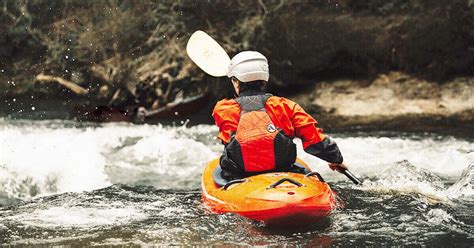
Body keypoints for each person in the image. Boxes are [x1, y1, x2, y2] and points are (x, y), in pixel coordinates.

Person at [212, 51, 348, 181]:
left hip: (239, 175)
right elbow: (315, 140)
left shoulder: (222, 109)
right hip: (283, 170)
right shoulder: (286, 106)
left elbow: (230, 138)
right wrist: (336, 159)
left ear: (236, 82)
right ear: (264, 80)